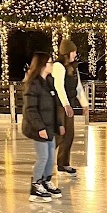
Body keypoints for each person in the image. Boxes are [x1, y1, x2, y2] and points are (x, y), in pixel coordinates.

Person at [22, 52, 65, 201]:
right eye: (50, 63)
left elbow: (55, 106)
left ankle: (46, 181)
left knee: (51, 158)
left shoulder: (49, 81)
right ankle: (35, 185)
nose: (52, 65)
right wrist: (40, 128)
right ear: (42, 65)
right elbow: (30, 109)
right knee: (43, 157)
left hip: (50, 126)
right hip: (38, 127)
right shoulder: (33, 84)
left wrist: (59, 124)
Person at [52, 38, 89, 176]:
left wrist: (84, 104)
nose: (75, 54)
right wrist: (66, 104)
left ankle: (63, 164)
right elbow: (59, 86)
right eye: (73, 51)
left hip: (69, 103)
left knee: (69, 135)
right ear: (66, 52)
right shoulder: (58, 66)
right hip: (59, 105)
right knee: (59, 135)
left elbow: (78, 86)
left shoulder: (74, 66)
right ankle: (45, 160)